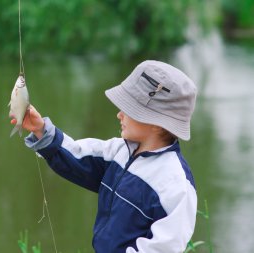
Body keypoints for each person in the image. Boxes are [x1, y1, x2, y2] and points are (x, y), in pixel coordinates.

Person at [10, 60, 198, 253]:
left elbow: (164, 248)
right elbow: (76, 156)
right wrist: (41, 130)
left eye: (129, 108)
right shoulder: (118, 151)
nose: (119, 114)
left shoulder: (176, 185)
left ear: (157, 123)